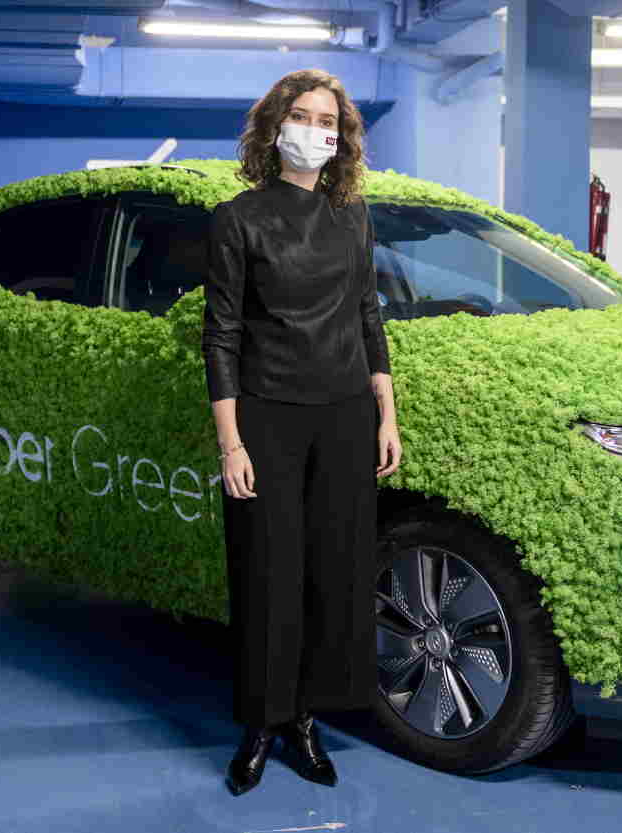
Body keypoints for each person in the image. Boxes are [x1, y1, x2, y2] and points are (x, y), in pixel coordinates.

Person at [202, 68, 403, 797]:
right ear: (274, 125)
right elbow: (220, 335)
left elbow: (368, 315)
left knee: (333, 576)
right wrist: (232, 441)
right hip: (268, 418)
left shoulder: (353, 215)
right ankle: (262, 723)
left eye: (329, 120)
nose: (316, 130)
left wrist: (386, 412)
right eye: (304, 115)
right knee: (267, 575)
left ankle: (307, 721)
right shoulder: (238, 219)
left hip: (346, 416)